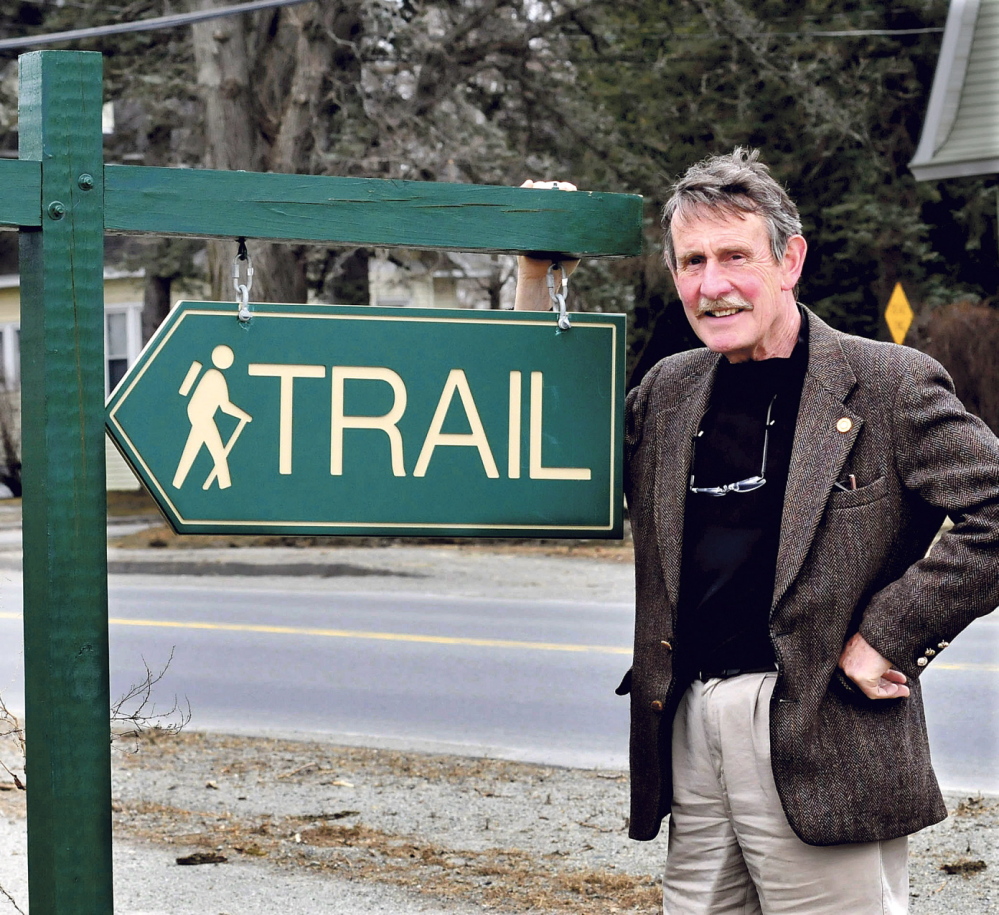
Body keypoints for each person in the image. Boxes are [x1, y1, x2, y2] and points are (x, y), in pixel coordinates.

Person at [515, 150, 999, 914]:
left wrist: (890, 632)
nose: (711, 285)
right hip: (688, 730)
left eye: (734, 256)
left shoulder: (888, 382)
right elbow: (537, 442)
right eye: (691, 261)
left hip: (822, 728)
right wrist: (537, 271)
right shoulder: (667, 391)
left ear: (788, 259)